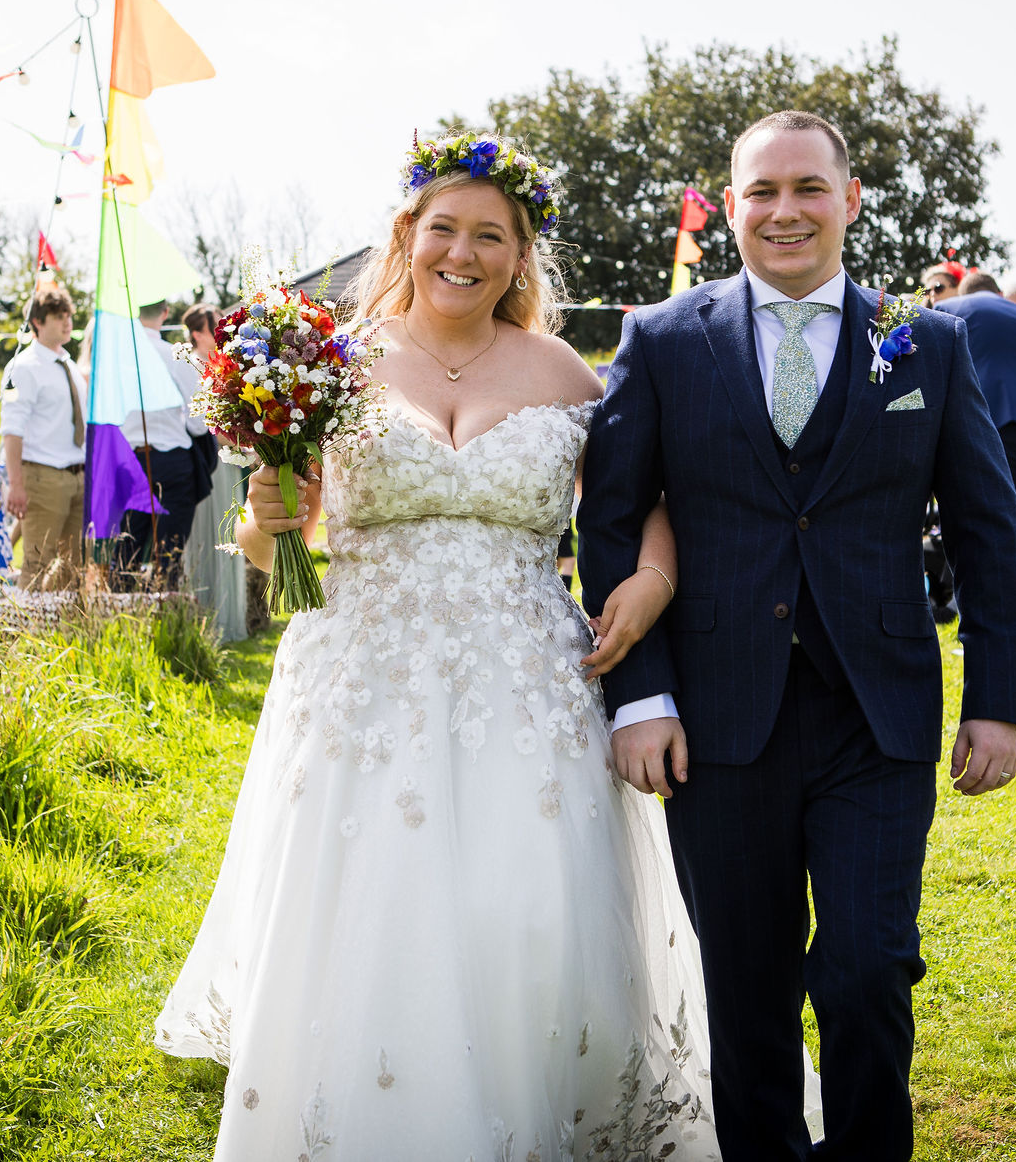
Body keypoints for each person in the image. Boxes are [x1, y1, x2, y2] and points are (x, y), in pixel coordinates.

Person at [156, 132, 720, 1156]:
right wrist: (267, 520)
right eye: (442, 230)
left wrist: (650, 579)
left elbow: (638, 505)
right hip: (365, 679)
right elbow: (266, 535)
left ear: (518, 256)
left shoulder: (563, 372)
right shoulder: (333, 362)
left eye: (489, 236)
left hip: (526, 675)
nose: (461, 253)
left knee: (522, 906)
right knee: (372, 909)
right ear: (405, 236)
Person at [580, 111, 1016, 1160]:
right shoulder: (661, 339)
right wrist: (639, 695)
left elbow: (985, 529)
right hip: (713, 714)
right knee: (746, 990)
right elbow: (608, 517)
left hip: (873, 714)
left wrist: (998, 700)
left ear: (849, 198)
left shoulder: (922, 340)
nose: (783, 211)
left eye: (807, 188)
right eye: (760, 192)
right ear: (730, 203)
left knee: (867, 968)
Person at [942, 269, 1016, 568]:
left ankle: (987, 603)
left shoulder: (949, 310)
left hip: (993, 423)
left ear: (964, 293)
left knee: (990, 517)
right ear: (998, 293)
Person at [111, 301, 210, 590]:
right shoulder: (175, 356)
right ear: (165, 313)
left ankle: (121, 617)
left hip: (129, 460)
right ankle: (167, 620)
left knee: (127, 547)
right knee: (169, 551)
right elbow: (199, 422)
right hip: (171, 462)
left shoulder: (115, 360)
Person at [1, 288, 87, 591]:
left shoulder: (68, 363)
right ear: (37, 322)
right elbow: (12, 429)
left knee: (74, 564)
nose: (66, 323)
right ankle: (26, 633)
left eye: (68, 315)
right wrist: (17, 483)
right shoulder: (24, 367)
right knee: (37, 563)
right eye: (57, 317)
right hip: (41, 476)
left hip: (77, 474)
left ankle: (62, 630)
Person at [178, 302, 250, 641]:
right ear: (197, 334)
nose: (220, 331)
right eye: (213, 327)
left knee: (229, 536)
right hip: (208, 462)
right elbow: (202, 422)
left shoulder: (222, 368)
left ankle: (228, 617)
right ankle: (205, 619)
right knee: (207, 536)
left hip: (230, 461)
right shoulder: (190, 369)